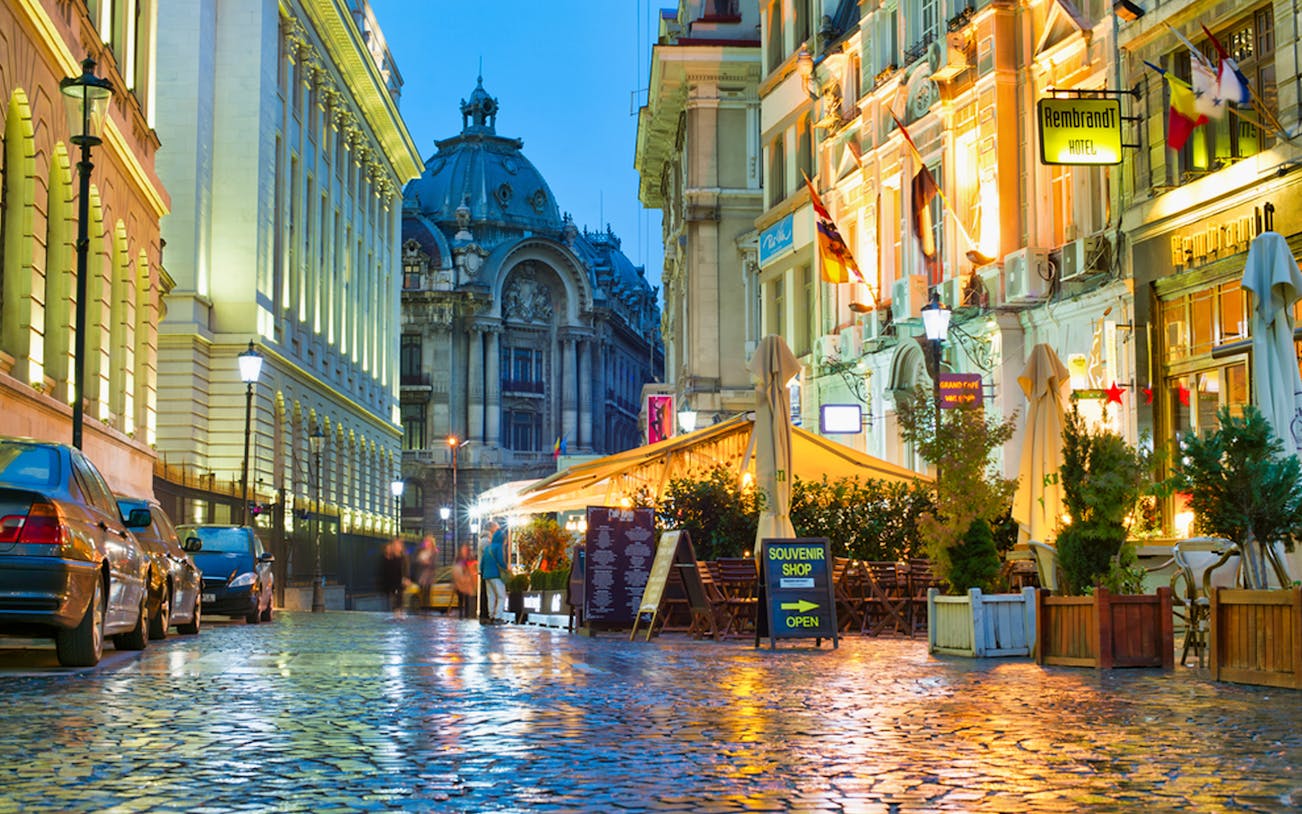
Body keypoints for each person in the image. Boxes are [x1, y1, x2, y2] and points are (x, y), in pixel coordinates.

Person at [479, 519, 510, 623]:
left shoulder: (488, 548)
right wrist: (506, 568)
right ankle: (498, 616)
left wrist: (483, 571)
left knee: (491, 596)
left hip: (486, 575)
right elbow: (501, 561)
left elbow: (482, 562)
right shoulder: (498, 547)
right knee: (501, 596)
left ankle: (491, 615)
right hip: (496, 574)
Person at [380, 537, 409, 619]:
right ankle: (397, 614)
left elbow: (405, 568)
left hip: (399, 583)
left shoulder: (402, 557)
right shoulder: (391, 558)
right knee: (395, 600)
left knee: (399, 599)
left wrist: (406, 578)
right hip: (393, 583)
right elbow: (388, 571)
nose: (397, 546)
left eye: (399, 545)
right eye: (396, 545)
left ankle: (399, 614)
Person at [452, 543, 477, 619]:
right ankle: (461, 614)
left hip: (468, 582)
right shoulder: (459, 560)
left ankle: (467, 614)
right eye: (463, 549)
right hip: (460, 582)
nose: (465, 551)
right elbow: (456, 571)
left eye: (466, 549)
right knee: (461, 598)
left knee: (467, 599)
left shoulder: (469, 558)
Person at [416, 535, 437, 612]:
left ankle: (426, 609)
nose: (426, 543)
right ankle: (422, 608)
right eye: (426, 542)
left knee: (427, 593)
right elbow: (417, 562)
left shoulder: (433, 552)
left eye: (428, 542)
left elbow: (433, 564)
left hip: (428, 576)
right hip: (421, 576)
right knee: (421, 593)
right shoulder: (421, 551)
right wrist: (422, 562)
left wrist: (427, 563)